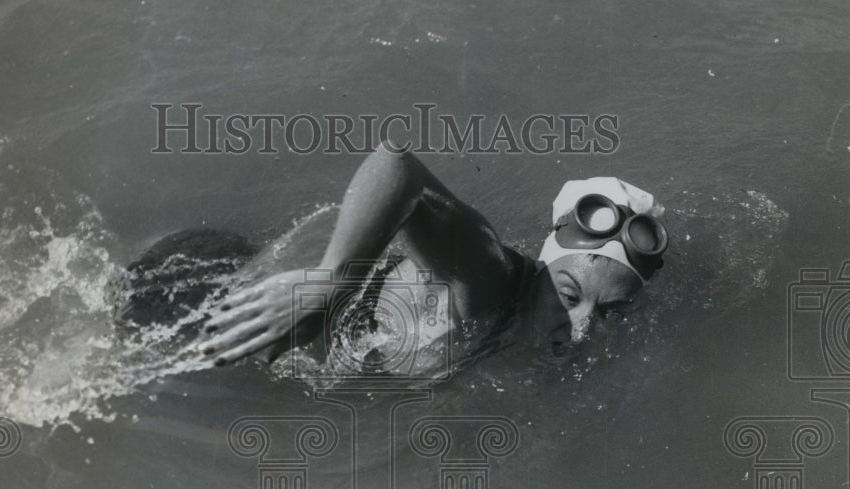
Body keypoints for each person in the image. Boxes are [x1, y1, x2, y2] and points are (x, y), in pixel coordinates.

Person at [199, 142, 667, 370]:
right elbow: (397, 165)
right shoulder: (488, 278)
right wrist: (329, 281)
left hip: (248, 334)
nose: (582, 330)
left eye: (610, 313)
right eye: (569, 296)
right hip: (213, 300)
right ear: (544, 264)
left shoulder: (519, 323)